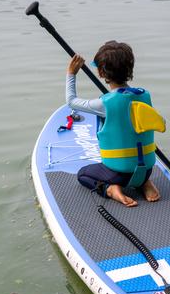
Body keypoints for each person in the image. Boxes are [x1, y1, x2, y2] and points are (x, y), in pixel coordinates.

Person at [66, 40, 164, 207]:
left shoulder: (104, 103)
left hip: (118, 173)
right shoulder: (145, 95)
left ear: (102, 73)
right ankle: (144, 183)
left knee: (83, 174)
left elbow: (71, 101)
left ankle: (110, 189)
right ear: (129, 69)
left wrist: (71, 74)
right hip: (147, 169)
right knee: (137, 159)